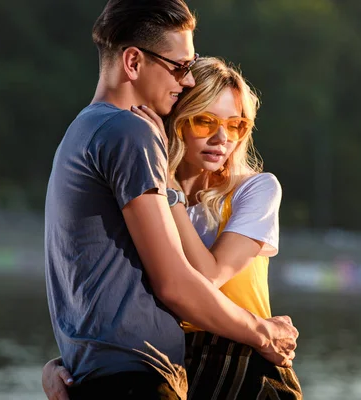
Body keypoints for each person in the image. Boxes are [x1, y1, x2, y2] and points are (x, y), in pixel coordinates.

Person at [44, 0, 299, 399]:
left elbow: (122, 280)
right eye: (204, 120)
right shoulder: (131, 138)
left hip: (236, 366)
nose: (186, 80)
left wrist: (76, 358)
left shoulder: (251, 188)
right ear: (132, 62)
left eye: (237, 125)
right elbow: (171, 285)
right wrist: (67, 362)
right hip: (152, 373)